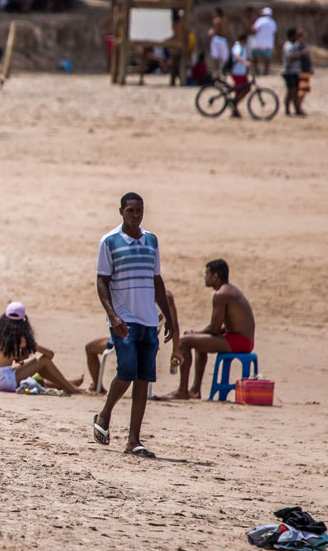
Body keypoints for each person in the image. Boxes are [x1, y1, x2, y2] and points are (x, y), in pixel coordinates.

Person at [93, 192, 178, 458]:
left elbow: (157, 281)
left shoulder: (151, 240)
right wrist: (113, 314)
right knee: (127, 370)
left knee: (143, 379)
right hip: (124, 318)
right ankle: (105, 413)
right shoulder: (109, 241)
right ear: (121, 212)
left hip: (148, 319)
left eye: (139, 210)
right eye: (130, 210)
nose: (135, 215)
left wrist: (170, 319)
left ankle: (133, 440)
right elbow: (102, 281)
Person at [162, 259, 255, 400]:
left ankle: (182, 390)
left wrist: (195, 334)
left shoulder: (221, 295)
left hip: (239, 341)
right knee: (199, 344)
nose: (205, 277)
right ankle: (195, 390)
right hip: (243, 340)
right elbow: (223, 327)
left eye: (207, 274)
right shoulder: (230, 290)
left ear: (215, 276)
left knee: (183, 341)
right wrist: (198, 335)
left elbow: (214, 328)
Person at [85, 290, 179, 392]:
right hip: (150, 341)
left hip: (128, 338)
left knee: (89, 347)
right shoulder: (167, 297)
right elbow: (174, 325)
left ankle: (97, 386)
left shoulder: (135, 292)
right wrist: (175, 351)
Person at [0, 302, 84, 393]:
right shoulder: (20, 339)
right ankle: (70, 388)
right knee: (43, 361)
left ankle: (65, 384)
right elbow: (50, 355)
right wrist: (32, 345)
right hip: (6, 383)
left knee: (28, 364)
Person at [281, 27, 306, 116]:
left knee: (296, 91)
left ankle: (297, 109)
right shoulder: (288, 46)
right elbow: (290, 57)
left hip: (295, 71)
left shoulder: (295, 45)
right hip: (288, 72)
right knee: (291, 91)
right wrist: (301, 54)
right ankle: (287, 110)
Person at [251, 7, 277, 76]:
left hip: (258, 42)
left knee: (255, 56)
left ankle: (256, 70)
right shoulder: (272, 22)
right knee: (267, 58)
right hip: (268, 43)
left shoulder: (260, 20)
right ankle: (266, 72)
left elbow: (254, 29)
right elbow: (275, 32)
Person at [229, 33, 250, 118]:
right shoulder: (238, 47)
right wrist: (245, 62)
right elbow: (237, 56)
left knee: (246, 89)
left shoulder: (242, 47)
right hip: (237, 73)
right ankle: (234, 105)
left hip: (242, 73)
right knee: (241, 91)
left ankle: (234, 106)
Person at [295, 29, 313, 115]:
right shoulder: (297, 47)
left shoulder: (304, 46)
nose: (305, 39)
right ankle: (298, 108)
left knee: (304, 91)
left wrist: (310, 67)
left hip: (306, 70)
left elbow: (307, 59)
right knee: (300, 91)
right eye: (303, 37)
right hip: (300, 71)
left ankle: (299, 107)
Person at [208, 7, 229, 75]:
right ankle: (222, 71)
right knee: (223, 57)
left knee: (216, 56)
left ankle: (217, 70)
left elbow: (214, 31)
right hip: (223, 39)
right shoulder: (224, 19)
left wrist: (210, 33)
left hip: (217, 39)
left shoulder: (216, 20)